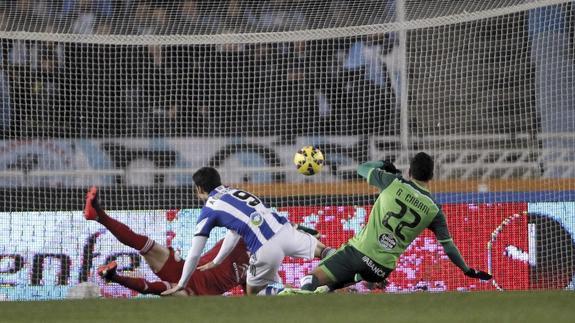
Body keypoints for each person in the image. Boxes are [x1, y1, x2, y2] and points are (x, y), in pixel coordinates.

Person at [282, 152, 492, 294]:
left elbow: (362, 169)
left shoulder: (393, 182)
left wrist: (384, 165)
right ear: (431, 176)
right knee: (330, 286)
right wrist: (466, 270)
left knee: (312, 279)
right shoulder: (434, 209)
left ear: (410, 171)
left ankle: (298, 308)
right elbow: (449, 247)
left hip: (359, 253)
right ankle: (356, 280)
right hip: (381, 269)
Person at [162, 167, 334, 296]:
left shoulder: (209, 210)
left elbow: (194, 254)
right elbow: (234, 232)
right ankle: (339, 275)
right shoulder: (236, 191)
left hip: (264, 248)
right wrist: (217, 261)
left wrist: (181, 283)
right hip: (285, 230)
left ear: (199, 189)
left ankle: (286, 294)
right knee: (324, 251)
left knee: (253, 294)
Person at [83, 186, 250, 296]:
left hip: (197, 295)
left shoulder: (256, 264)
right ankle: (99, 215)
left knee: (167, 290)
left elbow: (252, 294)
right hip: (186, 270)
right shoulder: (237, 239)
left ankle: (114, 277)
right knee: (147, 246)